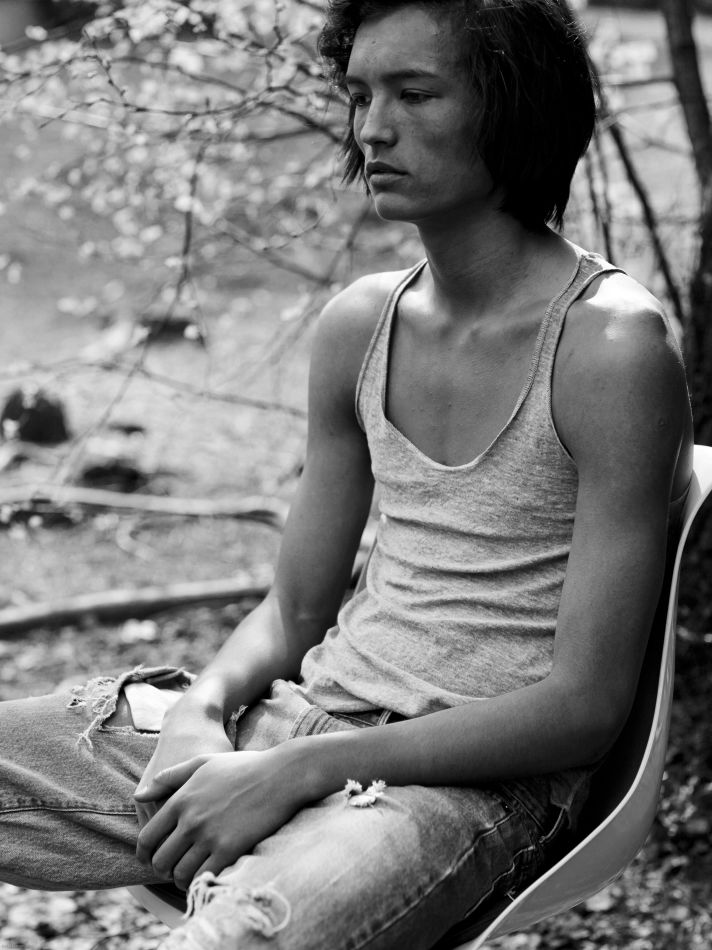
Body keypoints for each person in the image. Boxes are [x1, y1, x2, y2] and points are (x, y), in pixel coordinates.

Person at [0, 0, 694, 947]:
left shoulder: (610, 349)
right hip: (292, 723)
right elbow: (294, 611)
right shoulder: (361, 325)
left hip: (460, 789)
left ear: (514, 108)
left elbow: (584, 709)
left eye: (415, 94)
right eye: (361, 94)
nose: (372, 128)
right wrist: (203, 709)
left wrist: (298, 774)